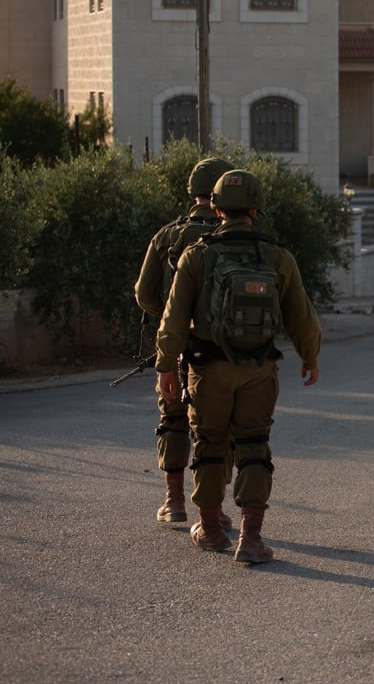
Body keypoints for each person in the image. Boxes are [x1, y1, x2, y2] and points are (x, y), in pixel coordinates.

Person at [156, 169, 322, 564]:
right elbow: (302, 317)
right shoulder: (278, 256)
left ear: (215, 208)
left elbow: (173, 318)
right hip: (259, 368)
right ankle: (250, 539)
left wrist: (165, 365)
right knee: (253, 444)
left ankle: (211, 530)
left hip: (207, 368)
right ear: (255, 208)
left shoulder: (196, 254)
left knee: (210, 444)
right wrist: (310, 358)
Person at [134, 156, 232, 526]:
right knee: (216, 424)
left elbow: (143, 292)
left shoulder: (169, 235)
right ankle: (216, 509)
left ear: (193, 190)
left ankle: (174, 502)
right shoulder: (235, 236)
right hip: (219, 346)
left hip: (175, 343)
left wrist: (169, 318)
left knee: (173, 417)